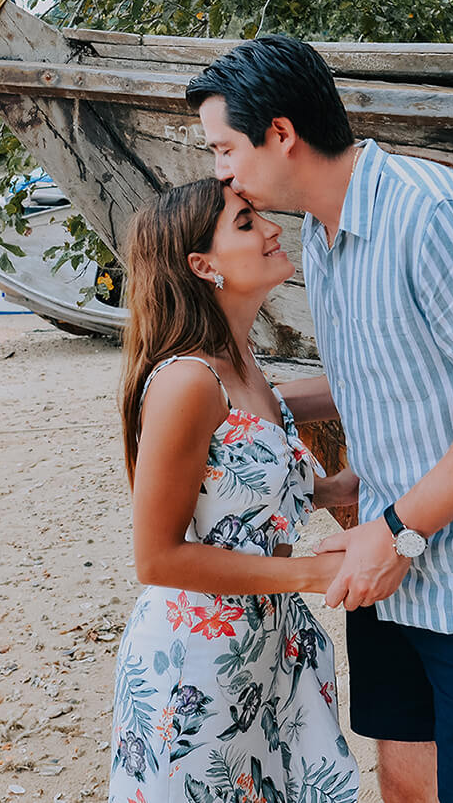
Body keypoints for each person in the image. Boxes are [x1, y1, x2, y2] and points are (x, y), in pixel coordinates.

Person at [187, 35, 453, 803]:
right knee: (407, 789)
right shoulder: (321, 230)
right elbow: (383, 376)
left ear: (281, 134)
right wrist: (223, 401)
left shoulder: (436, 215)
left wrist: (399, 529)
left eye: (225, 148)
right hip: (390, 570)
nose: (220, 172)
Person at [108, 177, 362, 803]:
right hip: (195, 661)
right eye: (247, 223)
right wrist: (307, 574)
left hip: (266, 642)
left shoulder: (246, 369)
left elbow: (245, 488)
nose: (274, 228)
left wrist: (329, 492)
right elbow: (157, 557)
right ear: (203, 265)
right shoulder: (187, 382)